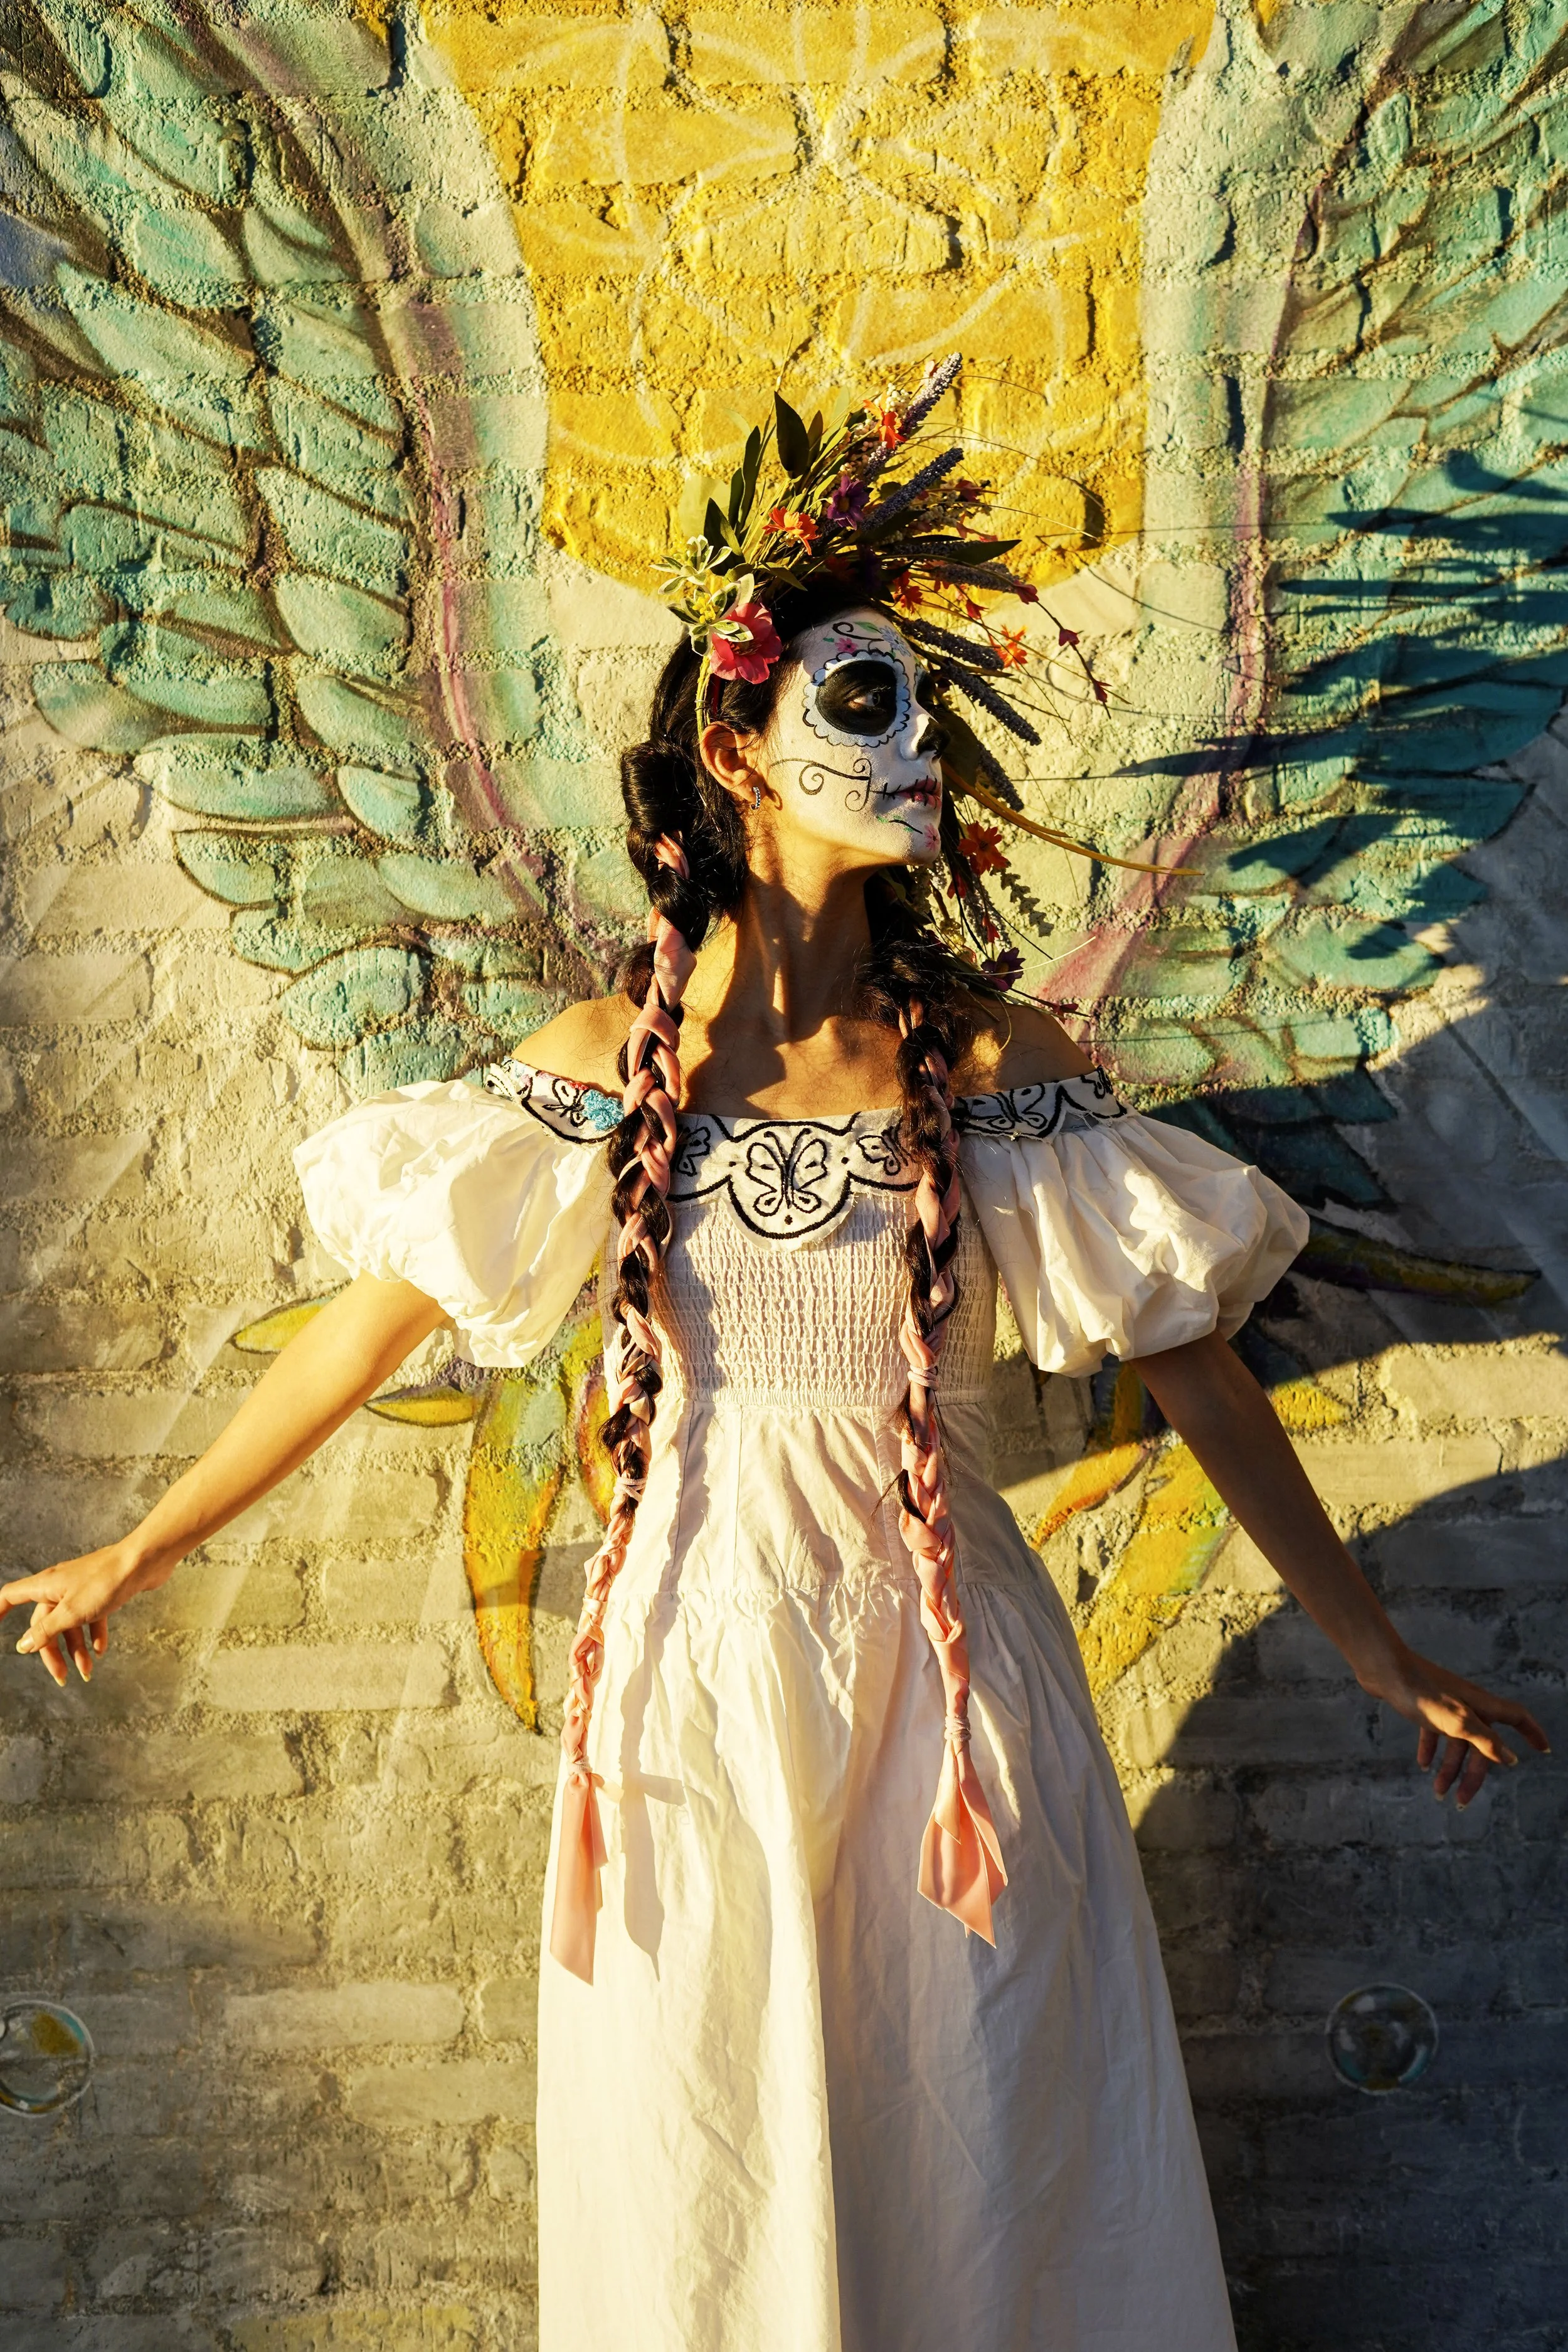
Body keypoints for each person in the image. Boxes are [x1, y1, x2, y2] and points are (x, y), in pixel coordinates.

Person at [1, 382, 1548, 2352]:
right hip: (684, 1691)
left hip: (952, 1690)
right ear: (733, 745)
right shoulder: (597, 1063)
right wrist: (138, 1550)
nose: (906, 753)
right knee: (708, 2170)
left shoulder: (995, 1073)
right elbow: (371, 1326)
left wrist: (1373, 1647)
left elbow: (1197, 1372)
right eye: (855, 703)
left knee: (987, 2161)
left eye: (921, 711)